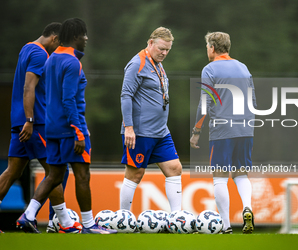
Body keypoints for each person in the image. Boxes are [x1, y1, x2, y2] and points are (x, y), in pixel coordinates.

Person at [16, 18, 116, 234]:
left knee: (53, 175)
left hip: (51, 129)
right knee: (82, 175)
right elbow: (68, 100)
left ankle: (29, 215)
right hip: (71, 129)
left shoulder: (51, 59)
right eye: (83, 34)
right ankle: (89, 225)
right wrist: (79, 131)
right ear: (74, 37)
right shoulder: (72, 62)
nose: (86, 38)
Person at [0, 22, 70, 233]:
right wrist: (30, 121)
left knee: (11, 172)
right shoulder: (40, 54)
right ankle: (63, 224)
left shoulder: (27, 47)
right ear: (54, 39)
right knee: (55, 172)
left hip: (20, 122)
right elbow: (28, 87)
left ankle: (53, 221)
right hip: (34, 124)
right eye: (60, 45)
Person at [190, 32, 256, 234]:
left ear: (211, 47)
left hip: (222, 130)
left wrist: (196, 130)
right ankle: (248, 208)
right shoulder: (243, 67)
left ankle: (226, 226)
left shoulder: (210, 69)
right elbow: (253, 101)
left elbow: (205, 102)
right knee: (241, 173)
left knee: (219, 176)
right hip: (246, 127)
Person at [120, 27, 182, 213]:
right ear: (150, 43)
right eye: (161, 48)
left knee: (174, 168)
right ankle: (124, 217)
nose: (164, 53)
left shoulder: (157, 64)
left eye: (167, 50)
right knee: (135, 174)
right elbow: (125, 95)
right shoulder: (137, 63)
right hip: (140, 132)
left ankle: (177, 218)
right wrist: (129, 128)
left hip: (161, 131)